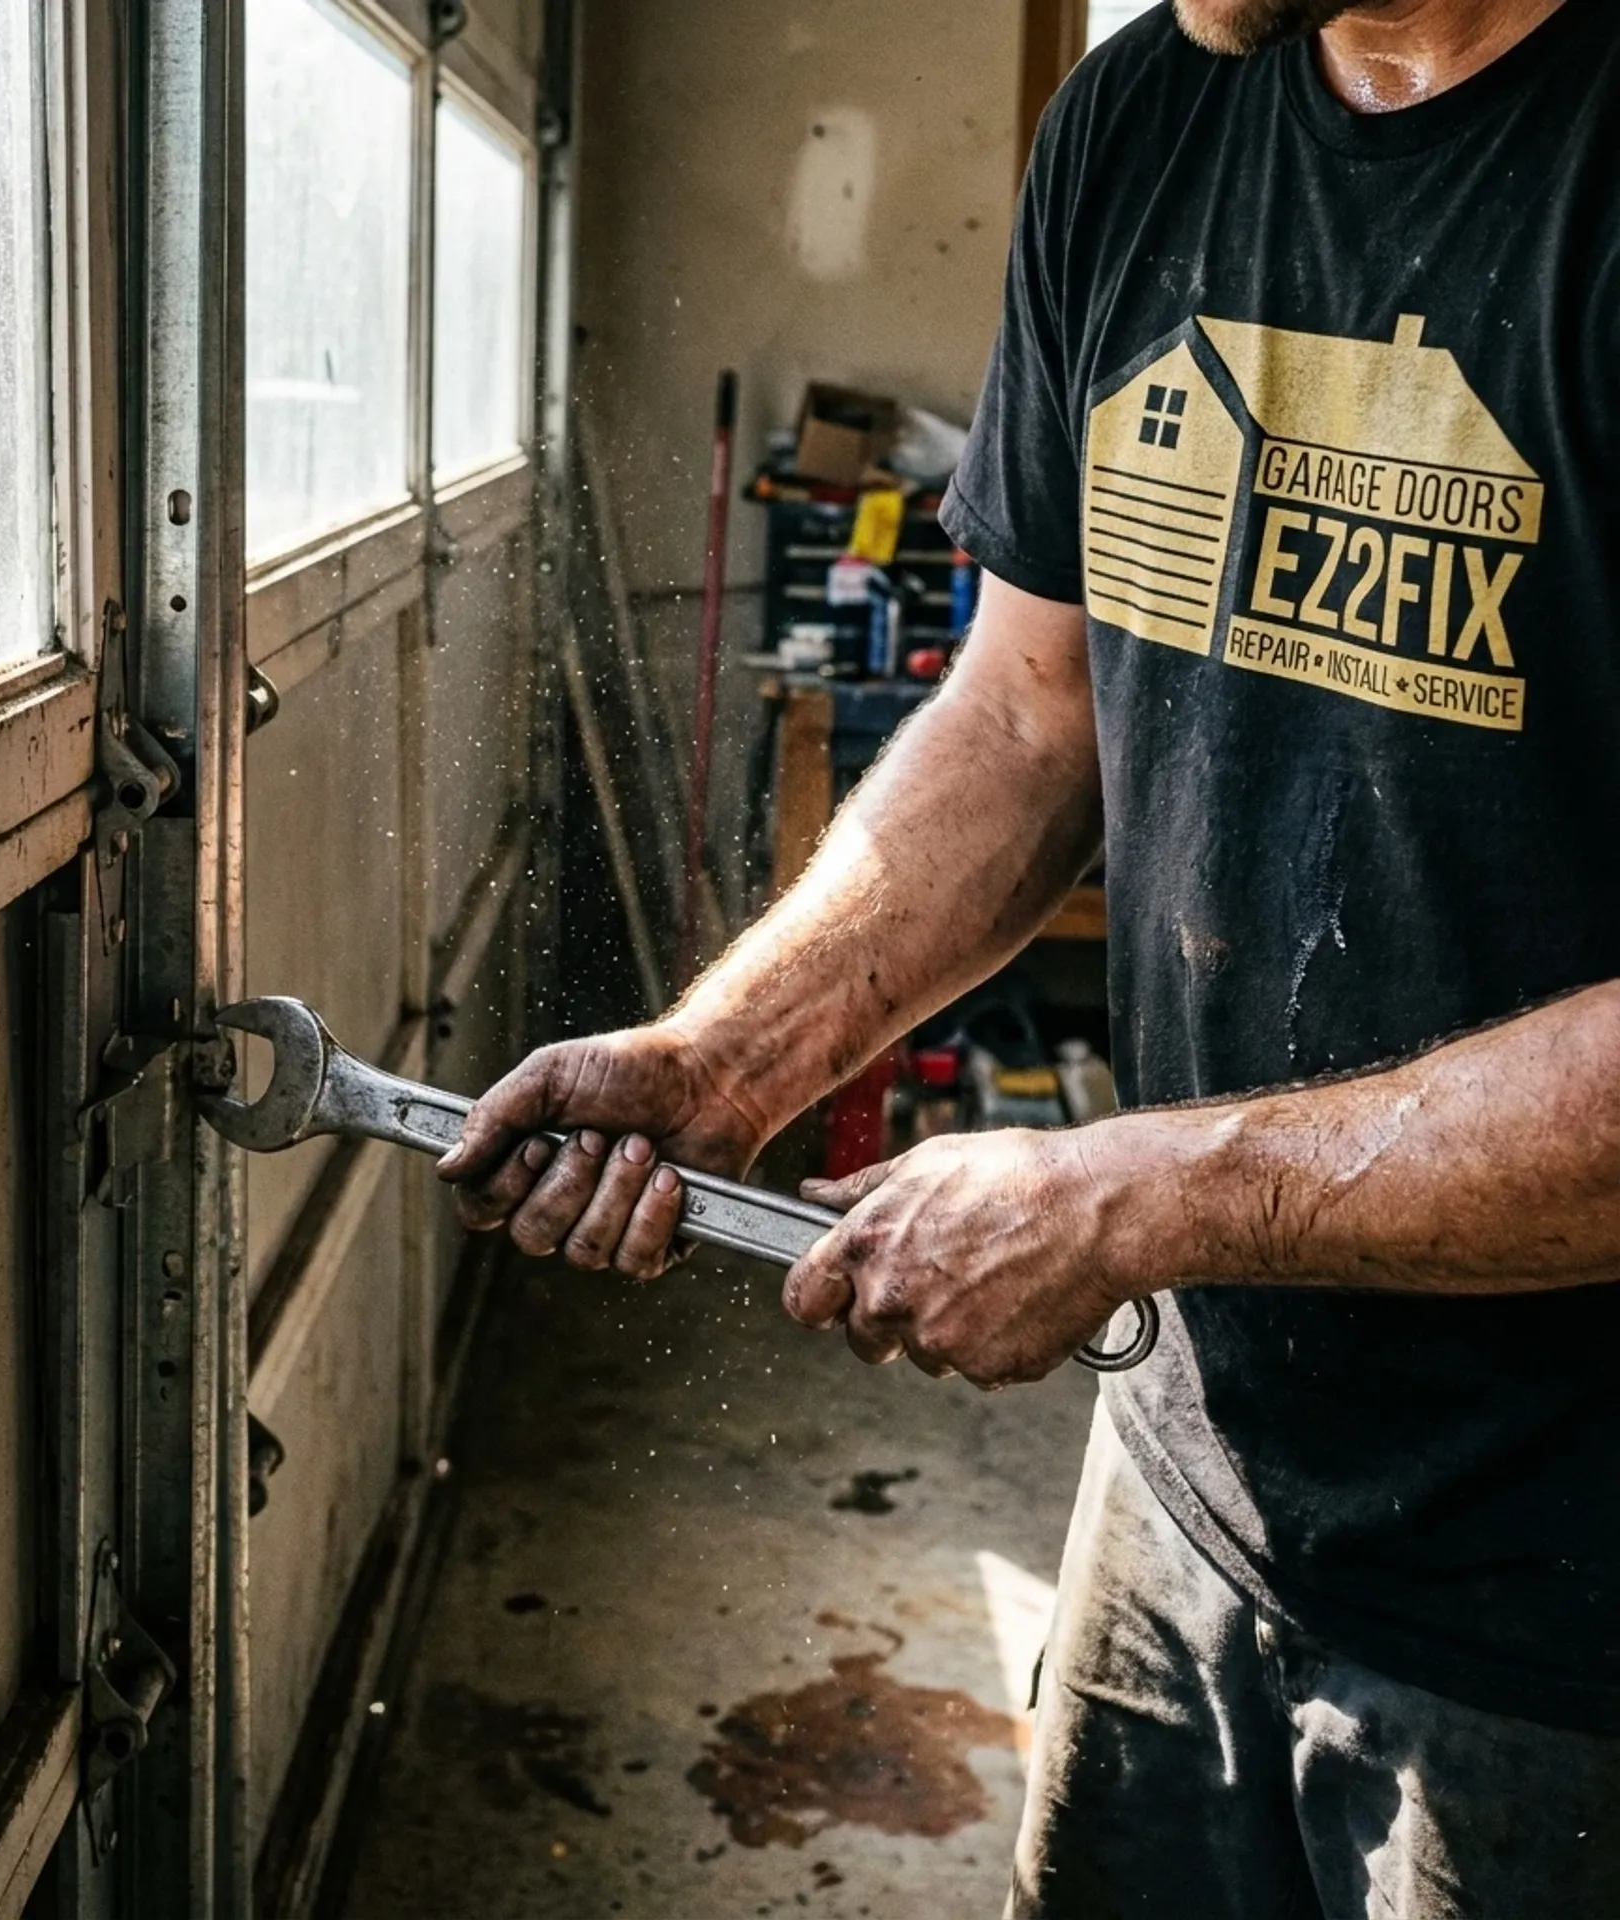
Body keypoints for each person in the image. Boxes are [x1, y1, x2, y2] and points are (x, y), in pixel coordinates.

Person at [438, 0, 1620, 1911]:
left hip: (1567, 1623)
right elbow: (1024, 717)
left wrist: (1129, 1200)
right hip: (1186, 1487)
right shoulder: (1145, 119)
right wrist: (729, 1058)